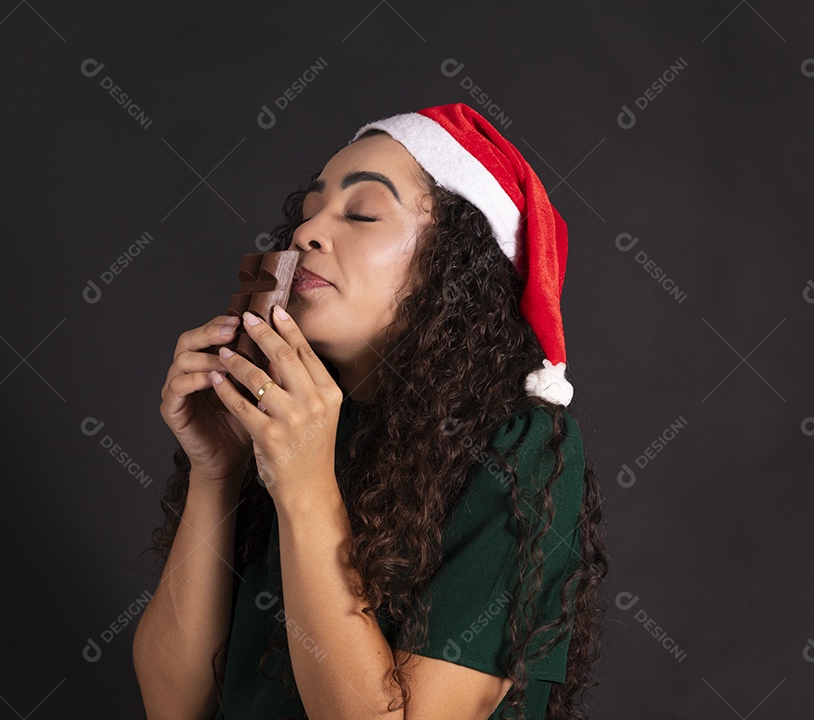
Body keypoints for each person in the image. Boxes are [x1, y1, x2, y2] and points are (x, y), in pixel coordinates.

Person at [135, 103, 609, 720]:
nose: (306, 233)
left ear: (454, 267)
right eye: (309, 211)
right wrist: (217, 471)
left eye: (361, 213)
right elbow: (174, 707)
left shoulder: (520, 445)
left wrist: (304, 489)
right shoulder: (287, 418)